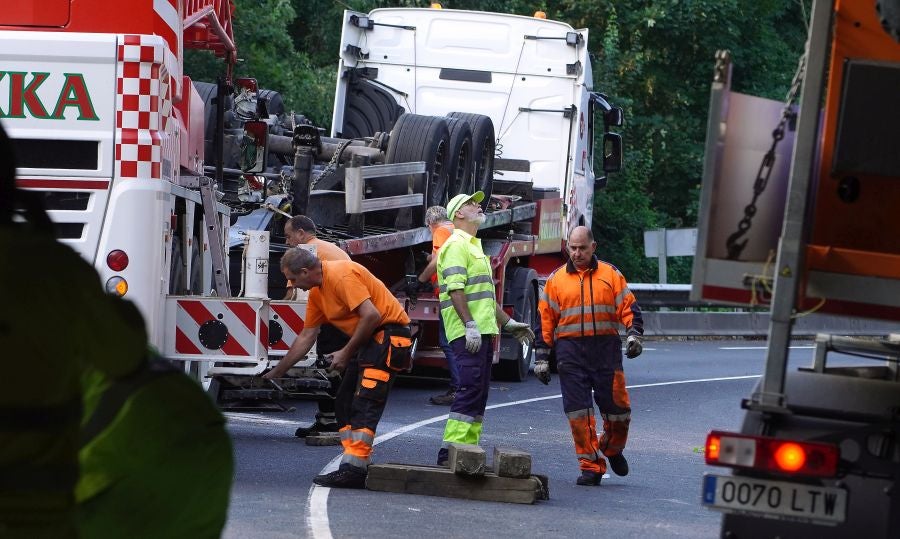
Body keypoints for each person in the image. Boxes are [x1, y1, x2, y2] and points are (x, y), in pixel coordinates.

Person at [263, 248, 412, 488]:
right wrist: (277, 372)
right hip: (371, 340)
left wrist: (345, 352)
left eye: (292, 278)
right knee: (343, 401)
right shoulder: (316, 294)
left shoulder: (340, 275)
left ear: (305, 272)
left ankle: (354, 468)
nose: (290, 284)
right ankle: (354, 463)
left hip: (388, 336)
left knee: (365, 401)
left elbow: (371, 315)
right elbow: (307, 336)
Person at [535, 226, 644, 486]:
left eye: (582, 248)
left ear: (593, 247)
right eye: (572, 248)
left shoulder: (611, 275)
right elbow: (545, 321)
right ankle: (591, 466)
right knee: (578, 414)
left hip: (605, 352)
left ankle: (612, 448)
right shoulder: (556, 280)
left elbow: (629, 307)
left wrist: (634, 335)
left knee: (619, 411)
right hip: (570, 355)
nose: (577, 253)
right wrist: (541, 358)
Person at [434, 191, 535, 466]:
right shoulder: (456, 244)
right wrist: (469, 325)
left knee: (478, 394)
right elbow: (455, 290)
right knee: (469, 390)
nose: (477, 205)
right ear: (458, 214)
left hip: (481, 332)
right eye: (470, 203)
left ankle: (467, 452)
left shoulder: (473, 246)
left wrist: (509, 324)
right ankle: (450, 453)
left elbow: (486, 300)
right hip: (468, 334)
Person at [283, 214, 351, 438]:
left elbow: (292, 294)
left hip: (337, 313)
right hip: (342, 311)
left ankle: (333, 422)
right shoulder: (325, 247)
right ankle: (329, 420)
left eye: (289, 236)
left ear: (301, 234)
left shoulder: (305, 253)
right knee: (333, 366)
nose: (287, 242)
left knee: (329, 365)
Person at [406, 206, 459, 405]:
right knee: (456, 342)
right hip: (457, 291)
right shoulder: (454, 229)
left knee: (448, 342)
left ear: (430, 223)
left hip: (450, 293)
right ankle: (462, 388)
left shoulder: (440, 230)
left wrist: (419, 281)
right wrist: (428, 257)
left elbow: (440, 260)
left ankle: (457, 389)